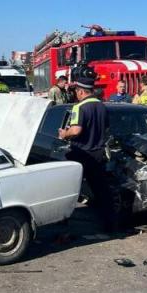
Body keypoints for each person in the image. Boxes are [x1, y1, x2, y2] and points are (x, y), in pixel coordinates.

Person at [58, 66, 117, 231]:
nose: (76, 94)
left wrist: (64, 134)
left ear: (81, 91)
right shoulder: (102, 106)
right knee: (101, 190)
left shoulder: (79, 107)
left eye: (77, 91)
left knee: (68, 188)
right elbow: (105, 129)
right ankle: (110, 224)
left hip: (81, 153)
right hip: (98, 154)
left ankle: (63, 222)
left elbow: (76, 130)